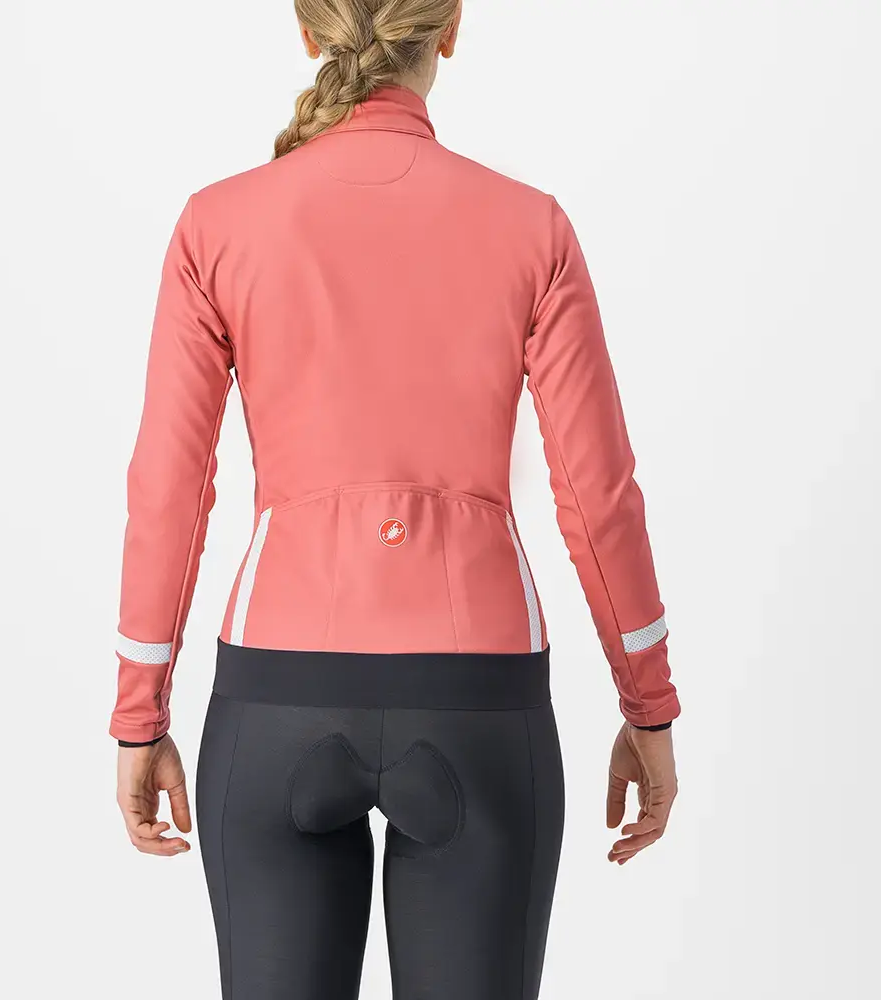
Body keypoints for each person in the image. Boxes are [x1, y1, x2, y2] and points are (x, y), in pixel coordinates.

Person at [111, 1, 680, 996]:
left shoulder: (218, 224)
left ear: (307, 32)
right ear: (448, 28)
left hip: (275, 694)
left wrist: (138, 713)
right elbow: (598, 495)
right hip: (481, 702)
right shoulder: (531, 227)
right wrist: (649, 704)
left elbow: (169, 488)